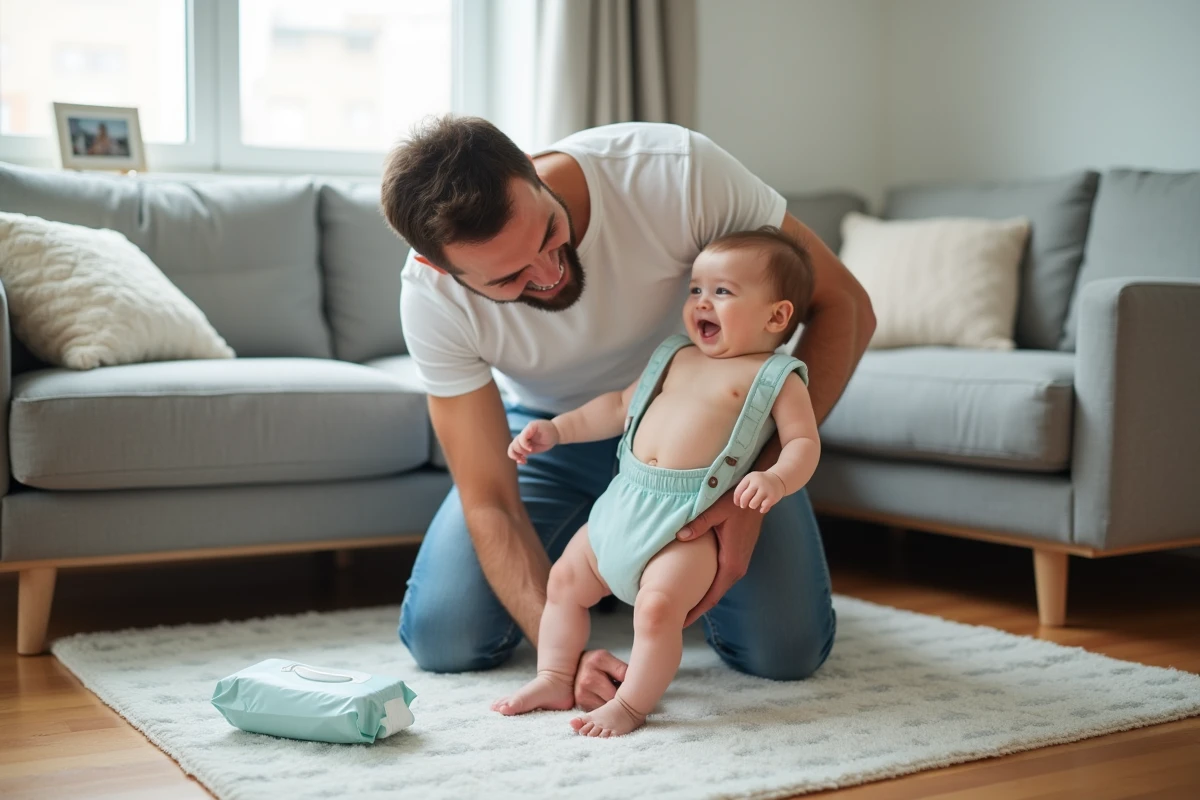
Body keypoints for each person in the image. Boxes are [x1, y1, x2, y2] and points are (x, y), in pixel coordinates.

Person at [381, 116, 875, 714]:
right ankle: (623, 580)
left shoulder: (674, 173)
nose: (548, 272)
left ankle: (647, 583)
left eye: (549, 233)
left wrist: (750, 487)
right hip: (554, 435)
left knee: (786, 654)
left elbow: (843, 302)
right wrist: (559, 653)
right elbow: (489, 500)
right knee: (446, 638)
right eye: (509, 277)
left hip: (714, 452)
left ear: (532, 171)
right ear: (442, 269)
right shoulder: (431, 299)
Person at [492, 227, 820, 736]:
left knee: (658, 610)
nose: (701, 302)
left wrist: (775, 480)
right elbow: (620, 407)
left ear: (776, 315)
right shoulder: (675, 355)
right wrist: (556, 430)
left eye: (722, 292)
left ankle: (630, 704)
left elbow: (803, 444)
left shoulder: (776, 377)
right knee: (563, 581)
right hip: (623, 502)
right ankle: (555, 675)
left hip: (685, 522)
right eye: (696, 289)